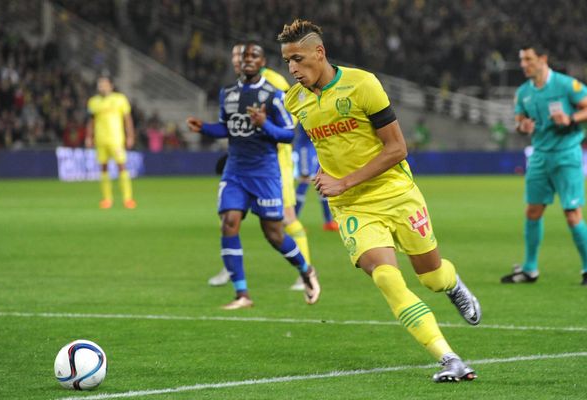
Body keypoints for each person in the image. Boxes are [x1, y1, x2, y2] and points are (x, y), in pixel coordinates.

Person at [278, 19, 481, 382]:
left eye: (298, 58)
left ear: (319, 53)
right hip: (353, 207)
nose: (292, 68)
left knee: (431, 277)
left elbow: (397, 147)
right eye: (287, 61)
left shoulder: (363, 84)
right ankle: (448, 357)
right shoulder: (295, 100)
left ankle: (452, 284)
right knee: (386, 277)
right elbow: (277, 134)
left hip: (395, 193)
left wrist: (344, 181)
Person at [187, 41, 320, 310]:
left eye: (254, 56)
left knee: (273, 233)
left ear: (262, 63)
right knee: (229, 222)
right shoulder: (228, 93)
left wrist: (264, 123)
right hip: (235, 170)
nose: (247, 60)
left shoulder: (274, 94)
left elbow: (287, 134)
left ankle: (306, 270)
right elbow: (228, 128)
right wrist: (205, 128)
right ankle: (242, 294)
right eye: (243, 56)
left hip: (265, 172)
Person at [501, 45, 587, 285]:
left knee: (572, 214)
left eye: (528, 59)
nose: (523, 64)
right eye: (521, 60)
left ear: (542, 59)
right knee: (533, 212)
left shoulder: (567, 85)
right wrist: (523, 127)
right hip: (539, 156)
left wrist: (570, 118)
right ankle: (530, 269)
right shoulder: (523, 92)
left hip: (566, 154)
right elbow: (519, 121)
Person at [85, 76, 137, 209]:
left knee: (122, 166)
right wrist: (89, 137)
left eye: (104, 84)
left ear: (111, 86)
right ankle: (107, 199)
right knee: (103, 168)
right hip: (100, 140)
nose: (102, 87)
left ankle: (128, 199)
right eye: (100, 84)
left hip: (116, 139)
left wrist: (130, 135)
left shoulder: (120, 99)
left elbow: (127, 119)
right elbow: (91, 121)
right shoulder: (93, 102)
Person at [294, 124, 339, 231]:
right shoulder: (306, 111)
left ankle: (328, 222)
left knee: (322, 180)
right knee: (304, 181)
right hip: (305, 149)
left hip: (317, 149)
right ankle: (293, 221)